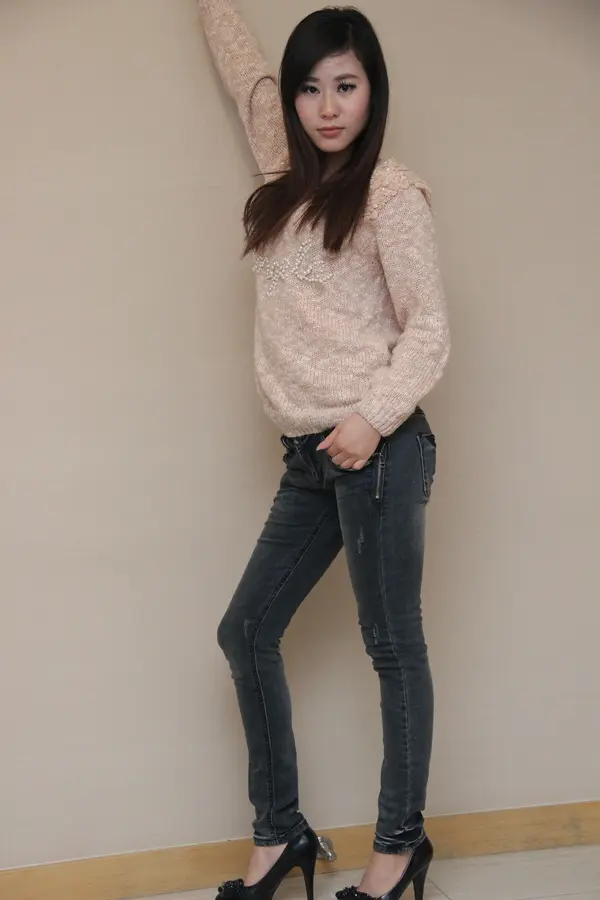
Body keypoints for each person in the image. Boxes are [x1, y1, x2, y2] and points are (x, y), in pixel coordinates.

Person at [196, 2, 450, 899]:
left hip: (376, 449)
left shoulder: (390, 192)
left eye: (346, 85)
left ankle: (399, 849)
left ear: (373, 91)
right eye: (311, 89)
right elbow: (247, 77)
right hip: (307, 457)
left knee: (391, 645)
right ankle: (280, 836)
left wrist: (372, 418)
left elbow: (429, 328)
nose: (327, 106)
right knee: (246, 631)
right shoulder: (283, 169)